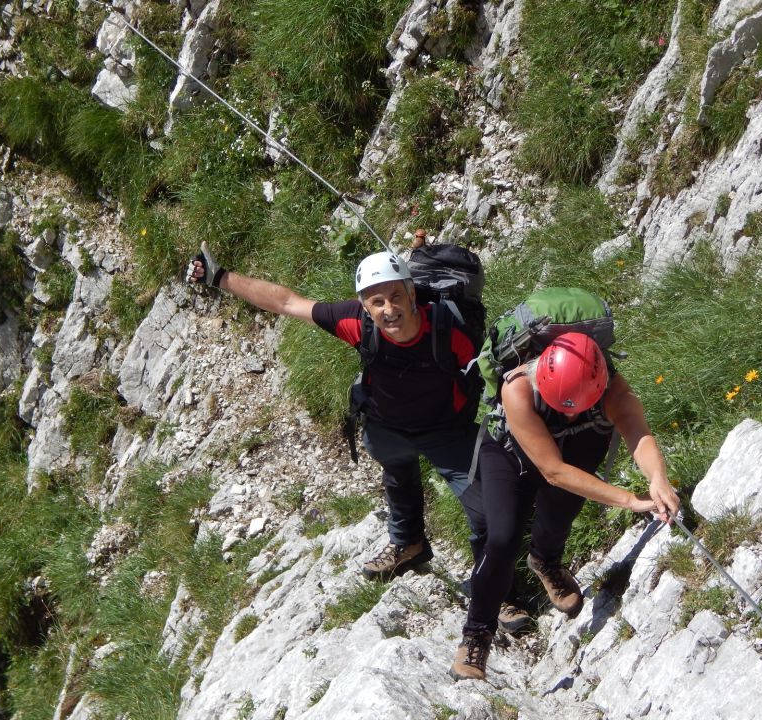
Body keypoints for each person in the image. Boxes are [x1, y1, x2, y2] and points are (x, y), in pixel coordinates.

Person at [185, 243, 528, 631]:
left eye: (396, 296)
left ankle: (500, 592)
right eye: (377, 301)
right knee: (397, 475)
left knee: (483, 511)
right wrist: (220, 277)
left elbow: (490, 374)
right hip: (385, 425)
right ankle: (409, 544)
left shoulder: (451, 329)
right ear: (364, 306)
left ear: (412, 293)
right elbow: (286, 302)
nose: (389, 309)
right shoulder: (356, 323)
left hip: (447, 430)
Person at [450, 332, 680, 680]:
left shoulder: (613, 390)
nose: (567, 415)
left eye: (576, 408)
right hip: (510, 454)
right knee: (502, 538)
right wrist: (629, 500)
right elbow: (553, 470)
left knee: (561, 512)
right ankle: (476, 634)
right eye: (559, 406)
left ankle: (545, 561)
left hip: (578, 446)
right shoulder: (518, 388)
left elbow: (638, 431)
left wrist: (658, 478)